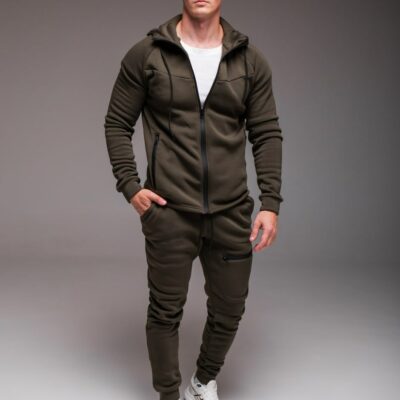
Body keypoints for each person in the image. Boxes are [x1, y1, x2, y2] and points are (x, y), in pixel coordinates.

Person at [104, 1, 283, 399]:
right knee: (165, 310)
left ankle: (202, 382)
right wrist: (130, 186)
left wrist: (270, 202)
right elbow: (117, 123)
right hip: (168, 211)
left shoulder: (250, 61)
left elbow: (266, 132)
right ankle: (169, 394)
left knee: (230, 307)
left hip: (231, 211)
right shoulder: (147, 54)